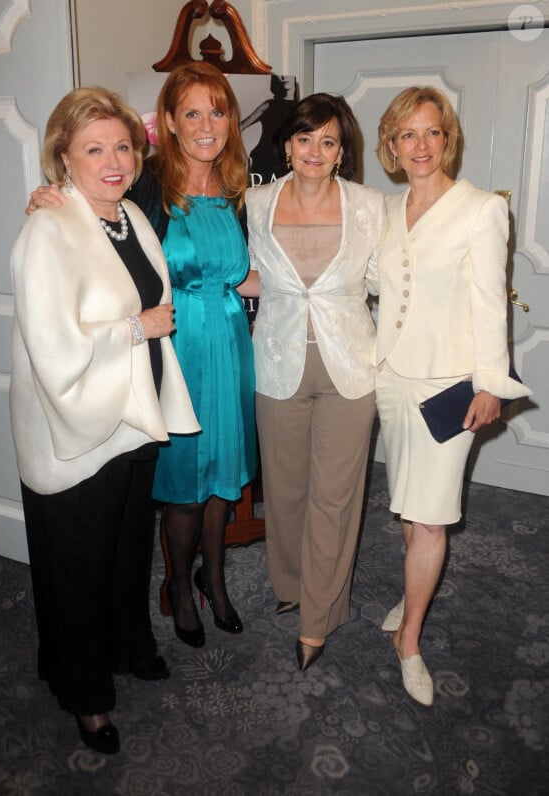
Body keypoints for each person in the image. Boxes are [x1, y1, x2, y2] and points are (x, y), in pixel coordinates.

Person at [26, 64, 257, 650]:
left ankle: (215, 577)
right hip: (174, 349)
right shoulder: (147, 184)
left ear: (231, 120)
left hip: (229, 343)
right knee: (183, 478)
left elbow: (251, 271)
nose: (207, 124)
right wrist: (51, 200)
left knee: (222, 477)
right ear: (171, 123)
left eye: (219, 110)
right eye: (192, 112)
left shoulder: (237, 186)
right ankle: (179, 587)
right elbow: (101, 237)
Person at [11, 87, 199, 754]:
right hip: (76, 430)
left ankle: (128, 645)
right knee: (79, 565)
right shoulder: (48, 229)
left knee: (126, 551)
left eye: (122, 145)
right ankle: (84, 692)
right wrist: (133, 328)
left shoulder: (130, 217)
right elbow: (53, 346)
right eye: (94, 148)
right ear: (62, 157)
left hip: (132, 416)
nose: (113, 160)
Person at [374, 86, 532, 706]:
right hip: (391, 377)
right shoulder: (384, 211)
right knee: (411, 508)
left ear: (449, 139)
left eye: (432, 132)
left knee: (433, 518)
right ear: (391, 144)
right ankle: (412, 593)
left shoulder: (481, 208)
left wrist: (492, 382)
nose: (421, 145)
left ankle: (408, 641)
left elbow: (492, 302)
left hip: (449, 386)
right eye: (407, 133)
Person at [240, 93, 386, 671]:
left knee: (335, 495)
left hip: (349, 364)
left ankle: (317, 618)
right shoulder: (255, 202)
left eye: (328, 141)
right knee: (284, 489)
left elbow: (382, 281)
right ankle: (295, 585)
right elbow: (253, 277)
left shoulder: (370, 206)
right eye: (304, 139)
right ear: (286, 145)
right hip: (277, 360)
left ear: (342, 149)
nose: (315, 151)